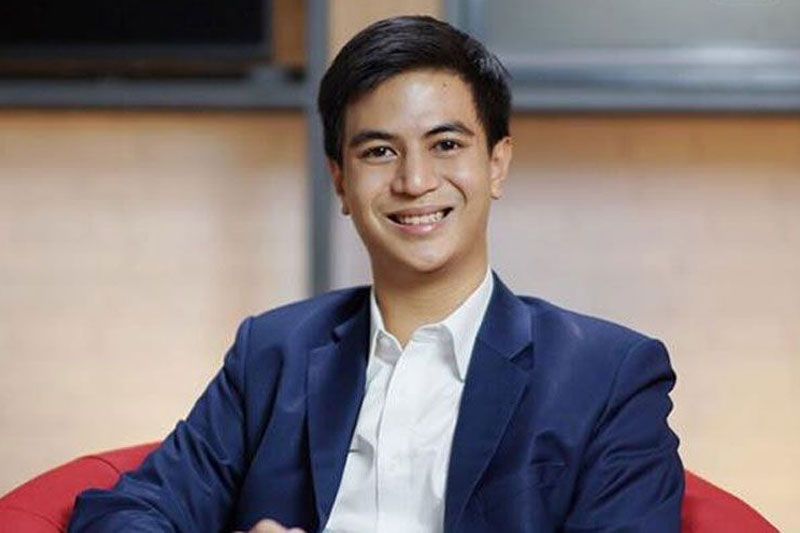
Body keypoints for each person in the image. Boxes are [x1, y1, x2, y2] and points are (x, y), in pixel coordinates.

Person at [69, 15, 684, 533]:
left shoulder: (608, 375)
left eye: (446, 145)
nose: (414, 181)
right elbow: (121, 514)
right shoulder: (273, 354)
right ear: (341, 181)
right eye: (379, 152)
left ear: (497, 164)